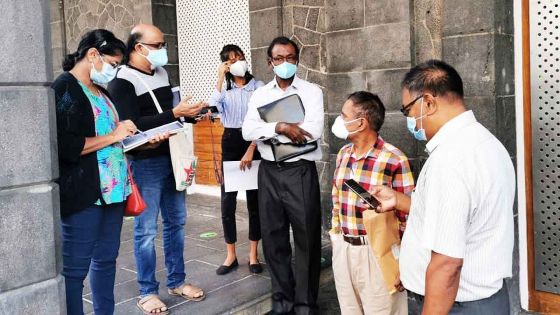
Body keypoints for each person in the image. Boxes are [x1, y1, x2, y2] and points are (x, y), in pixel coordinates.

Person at [371, 60, 515, 315]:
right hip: (484, 300)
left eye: (407, 111)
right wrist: (401, 201)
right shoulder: (486, 143)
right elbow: (459, 217)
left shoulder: (450, 160)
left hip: (457, 306)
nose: (410, 121)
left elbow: (447, 264)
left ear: (428, 102)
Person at [107, 24, 206, 314]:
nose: (163, 50)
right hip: (146, 162)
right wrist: (174, 114)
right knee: (146, 230)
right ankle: (147, 291)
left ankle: (177, 280)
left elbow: (172, 113)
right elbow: (130, 124)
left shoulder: (162, 72)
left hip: (174, 157)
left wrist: (190, 115)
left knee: (177, 222)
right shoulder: (121, 80)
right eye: (158, 45)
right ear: (138, 48)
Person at [52, 29, 135, 315]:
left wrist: (132, 136)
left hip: (113, 193)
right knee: (75, 272)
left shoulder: (101, 90)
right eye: (112, 64)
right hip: (85, 196)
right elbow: (65, 145)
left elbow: (111, 134)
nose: (114, 71)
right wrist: (114, 136)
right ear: (92, 55)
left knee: (106, 260)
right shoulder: (64, 88)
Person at [242, 36, 324, 315]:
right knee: (274, 239)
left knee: (307, 240)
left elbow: (312, 130)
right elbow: (248, 130)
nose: (285, 63)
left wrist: (270, 130)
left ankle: (304, 305)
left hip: (300, 172)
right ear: (270, 62)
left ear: (297, 60)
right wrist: (280, 126)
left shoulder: (311, 91)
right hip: (269, 173)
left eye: (290, 58)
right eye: (279, 58)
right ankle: (282, 302)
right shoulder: (260, 95)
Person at [330, 91, 414, 315]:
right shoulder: (343, 154)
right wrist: (336, 236)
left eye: (343, 115)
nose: (339, 120)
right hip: (344, 250)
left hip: (379, 252)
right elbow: (336, 199)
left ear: (361, 122)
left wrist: (404, 265)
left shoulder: (395, 159)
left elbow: (410, 218)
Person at [209, 44, 265, 275]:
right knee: (227, 202)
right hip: (230, 141)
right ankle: (230, 255)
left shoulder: (259, 87)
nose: (237, 62)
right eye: (231, 60)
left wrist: (252, 146)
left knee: (255, 202)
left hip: (253, 142)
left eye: (240, 57)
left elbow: (263, 120)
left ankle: (253, 255)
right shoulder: (225, 91)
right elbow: (213, 107)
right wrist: (219, 78)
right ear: (226, 65)